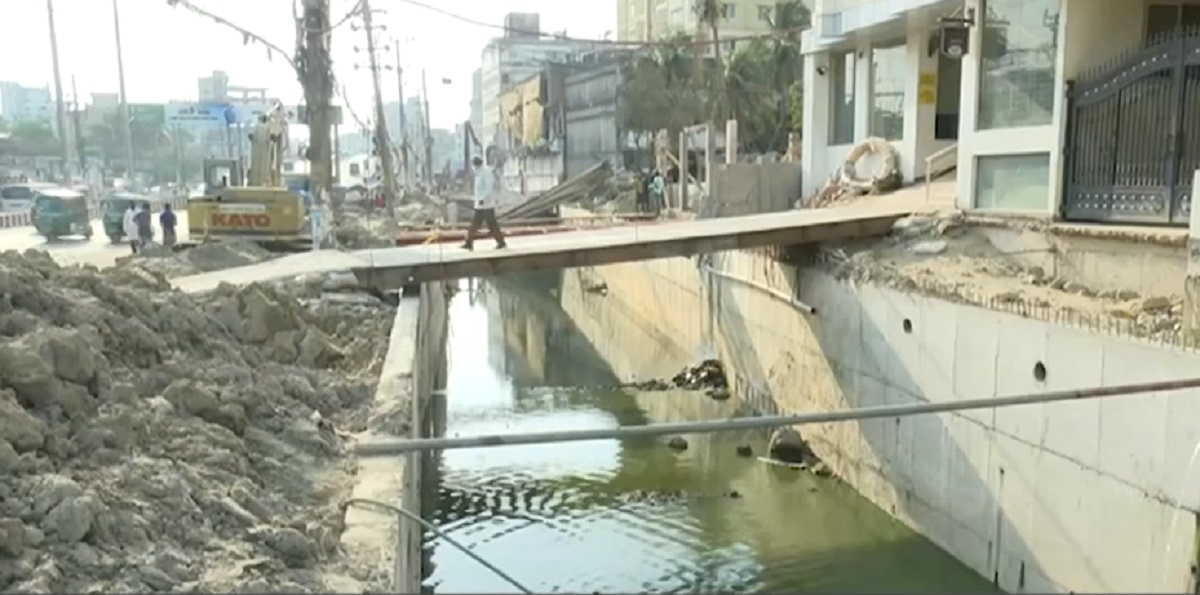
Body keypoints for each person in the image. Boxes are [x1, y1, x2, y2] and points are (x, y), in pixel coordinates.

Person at [461, 155, 507, 251]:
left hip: (486, 205)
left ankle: (500, 242)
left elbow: (488, 189)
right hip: (480, 205)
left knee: (488, 225)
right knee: (479, 224)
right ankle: (469, 242)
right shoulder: (478, 173)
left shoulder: (486, 173)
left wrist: (482, 199)